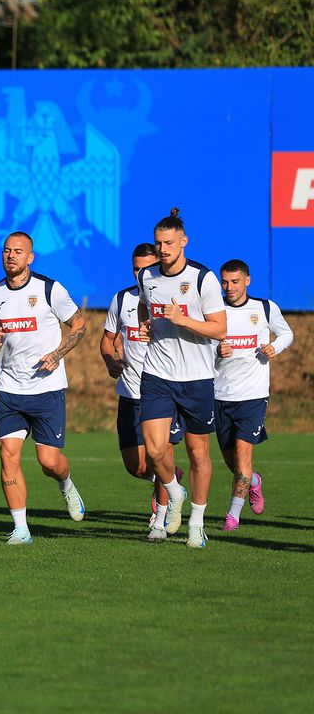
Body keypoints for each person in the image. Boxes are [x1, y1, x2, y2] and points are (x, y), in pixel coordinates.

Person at [0, 232, 87, 545]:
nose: (11, 256)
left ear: (30, 257)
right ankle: (21, 529)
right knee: (8, 456)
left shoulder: (49, 289)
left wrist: (58, 354)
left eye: (18, 251)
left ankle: (66, 484)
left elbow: (79, 325)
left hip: (46, 389)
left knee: (49, 462)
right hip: (9, 390)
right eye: (7, 251)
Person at [137, 208, 227, 548]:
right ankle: (175, 492)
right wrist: (148, 326)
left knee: (198, 453)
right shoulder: (147, 277)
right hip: (157, 373)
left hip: (198, 377)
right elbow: (147, 309)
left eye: (169, 243)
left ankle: (196, 523)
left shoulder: (204, 279)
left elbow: (220, 328)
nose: (163, 249)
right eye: (159, 243)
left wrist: (183, 320)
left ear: (184, 242)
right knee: (155, 450)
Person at [99, 243, 186, 535]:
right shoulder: (122, 299)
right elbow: (107, 339)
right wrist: (110, 359)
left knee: (161, 455)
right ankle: (172, 481)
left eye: (145, 268)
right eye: (136, 268)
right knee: (136, 467)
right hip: (129, 392)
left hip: (163, 391)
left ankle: (160, 522)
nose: (140, 274)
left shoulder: (171, 298)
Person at [214, 259, 293, 531]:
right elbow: (201, 347)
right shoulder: (214, 311)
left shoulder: (264, 307)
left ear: (247, 281)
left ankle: (232, 516)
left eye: (235, 282)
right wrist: (216, 351)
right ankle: (254, 482)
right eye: (225, 282)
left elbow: (286, 334)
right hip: (221, 393)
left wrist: (275, 347)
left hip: (253, 395)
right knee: (231, 461)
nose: (229, 287)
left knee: (243, 455)